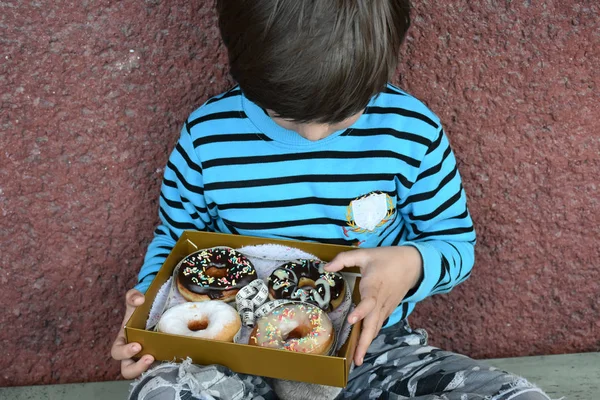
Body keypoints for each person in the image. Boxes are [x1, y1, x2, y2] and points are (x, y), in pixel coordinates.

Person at [111, 1, 551, 399]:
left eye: (341, 115)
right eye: (284, 114)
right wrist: (148, 323)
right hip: (234, 355)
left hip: (370, 351)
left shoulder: (410, 132)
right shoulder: (208, 136)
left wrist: (412, 263)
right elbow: (175, 241)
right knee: (164, 392)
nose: (313, 134)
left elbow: (455, 243)